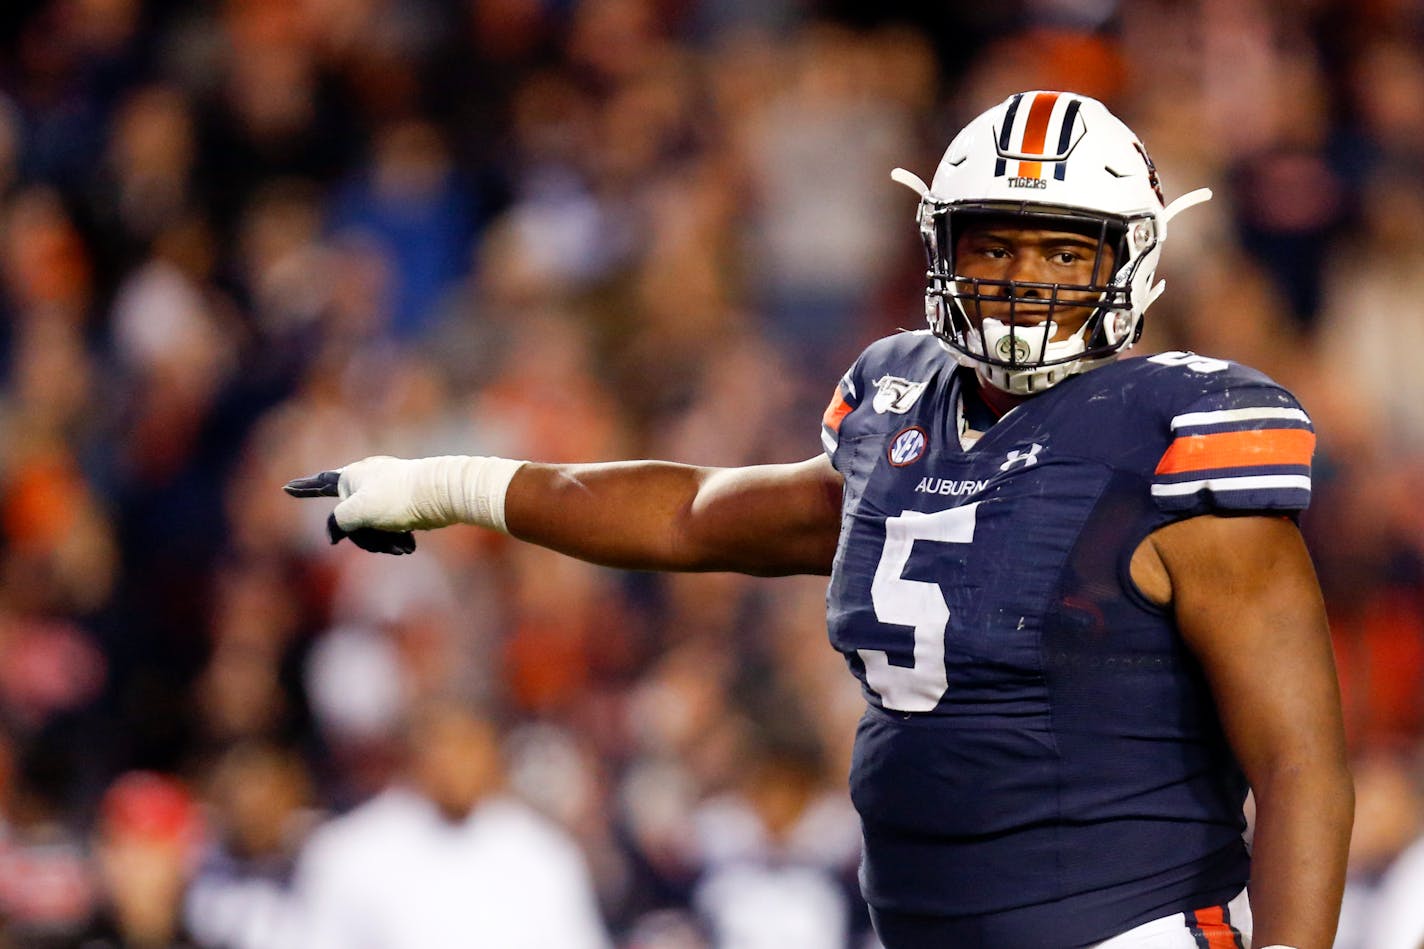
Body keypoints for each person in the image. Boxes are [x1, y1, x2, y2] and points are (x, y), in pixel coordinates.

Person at [286, 91, 1353, 949]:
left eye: (1061, 251)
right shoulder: (899, 409)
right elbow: (694, 514)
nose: (1021, 279)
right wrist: (447, 484)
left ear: (1126, 258)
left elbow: (1299, 761)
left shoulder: (1177, 434)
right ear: (942, 248)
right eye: (994, 244)